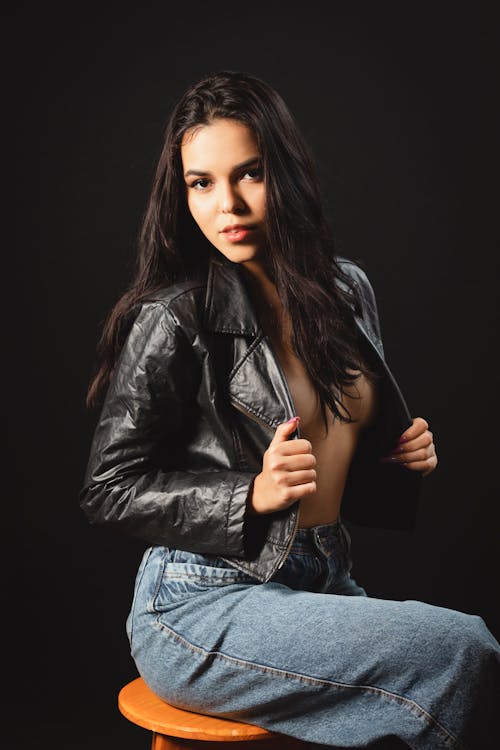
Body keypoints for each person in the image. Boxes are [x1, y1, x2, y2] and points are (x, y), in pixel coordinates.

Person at [80, 70, 499, 749]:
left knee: (459, 680)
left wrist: (398, 460)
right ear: (181, 191)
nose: (228, 207)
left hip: (323, 575)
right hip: (199, 601)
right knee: (462, 650)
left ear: (288, 171)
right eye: (202, 183)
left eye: (249, 174)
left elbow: (338, 472)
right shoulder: (173, 316)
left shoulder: (348, 291)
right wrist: (252, 493)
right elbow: (108, 489)